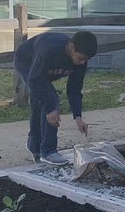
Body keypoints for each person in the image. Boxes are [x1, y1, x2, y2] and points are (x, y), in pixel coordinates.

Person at [13, 30, 97, 165]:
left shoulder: (81, 61)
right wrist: (50, 109)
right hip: (27, 61)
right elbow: (35, 79)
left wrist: (78, 117)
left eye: (85, 60)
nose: (82, 63)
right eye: (80, 58)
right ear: (72, 48)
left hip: (42, 71)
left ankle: (35, 148)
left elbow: (74, 89)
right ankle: (48, 151)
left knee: (39, 102)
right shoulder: (49, 50)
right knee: (50, 100)